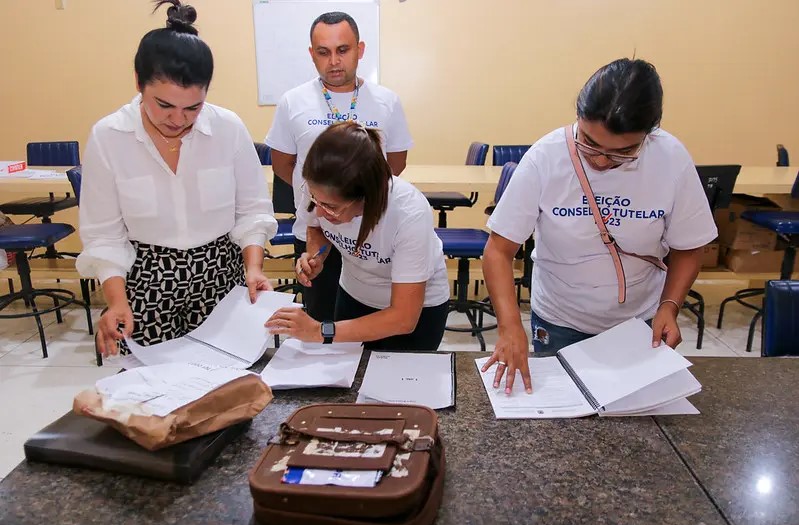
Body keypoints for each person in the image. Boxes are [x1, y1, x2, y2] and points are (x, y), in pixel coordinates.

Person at [481, 58, 717, 394]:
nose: (602, 160)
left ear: (649, 133)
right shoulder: (546, 157)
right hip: (561, 319)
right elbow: (498, 251)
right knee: (562, 421)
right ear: (578, 116)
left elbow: (689, 247)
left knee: (634, 423)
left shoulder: (671, 159)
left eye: (623, 152)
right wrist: (509, 325)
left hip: (641, 323)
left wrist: (670, 306)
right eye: (589, 143)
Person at [77, 0, 277, 357]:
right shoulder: (109, 136)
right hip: (146, 282)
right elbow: (104, 234)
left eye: (193, 107)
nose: (178, 120)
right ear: (138, 82)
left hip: (221, 275)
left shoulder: (227, 128)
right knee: (155, 392)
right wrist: (116, 302)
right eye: (164, 105)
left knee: (227, 383)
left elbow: (252, 210)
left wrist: (254, 267)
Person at [265, 11, 413, 323]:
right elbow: (283, 165)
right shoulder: (293, 102)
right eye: (323, 52)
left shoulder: (387, 101)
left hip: (372, 235)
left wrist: (355, 200)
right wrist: (327, 203)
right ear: (312, 54)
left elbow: (394, 164)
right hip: (315, 231)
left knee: (369, 323)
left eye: (342, 50)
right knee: (320, 323)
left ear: (359, 50)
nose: (334, 61)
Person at [265, 122, 448, 350]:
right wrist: (315, 255)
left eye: (331, 207)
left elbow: (403, 318)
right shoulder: (319, 191)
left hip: (415, 314)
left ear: (366, 196)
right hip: (354, 296)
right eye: (315, 200)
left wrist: (318, 331)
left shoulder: (408, 213)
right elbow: (316, 227)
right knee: (347, 379)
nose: (319, 211)